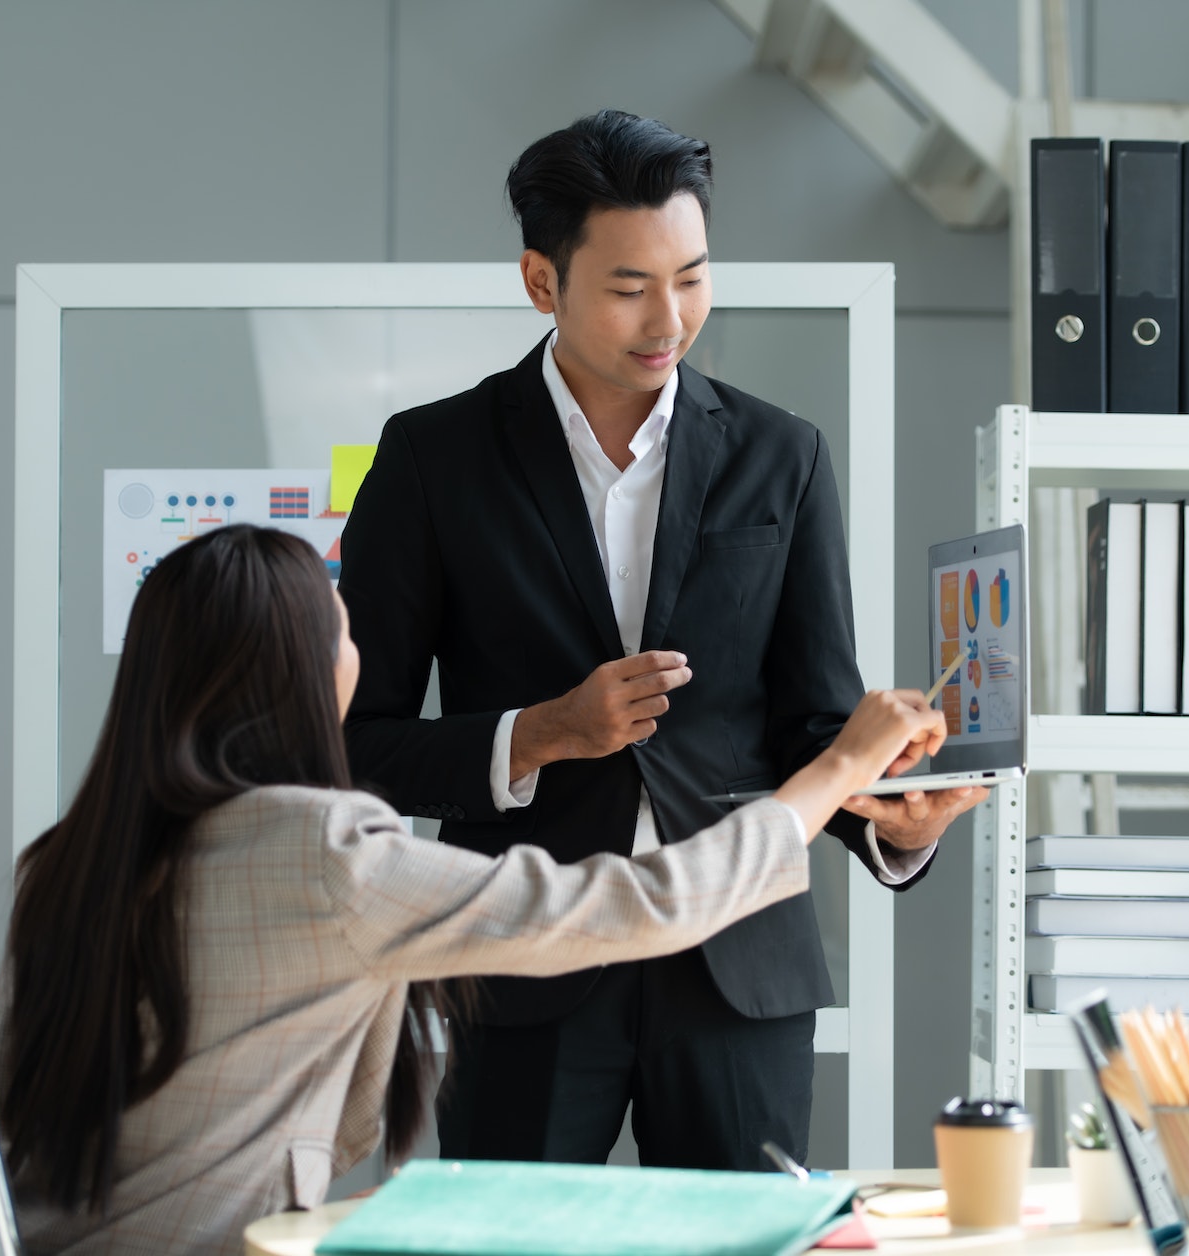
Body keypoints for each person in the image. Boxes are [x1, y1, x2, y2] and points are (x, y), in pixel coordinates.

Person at [0, 524, 945, 1256]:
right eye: (343, 630)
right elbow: (634, 904)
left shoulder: (70, 861)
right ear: (297, 672)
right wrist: (834, 773)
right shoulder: (321, 851)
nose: (358, 653)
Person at [338, 109, 982, 1172]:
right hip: (520, 962)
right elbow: (357, 744)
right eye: (629, 286)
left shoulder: (784, 455)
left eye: (691, 276)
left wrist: (898, 825)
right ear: (541, 283)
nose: (668, 315)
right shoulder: (431, 458)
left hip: (738, 965)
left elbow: (814, 722)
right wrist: (537, 733)